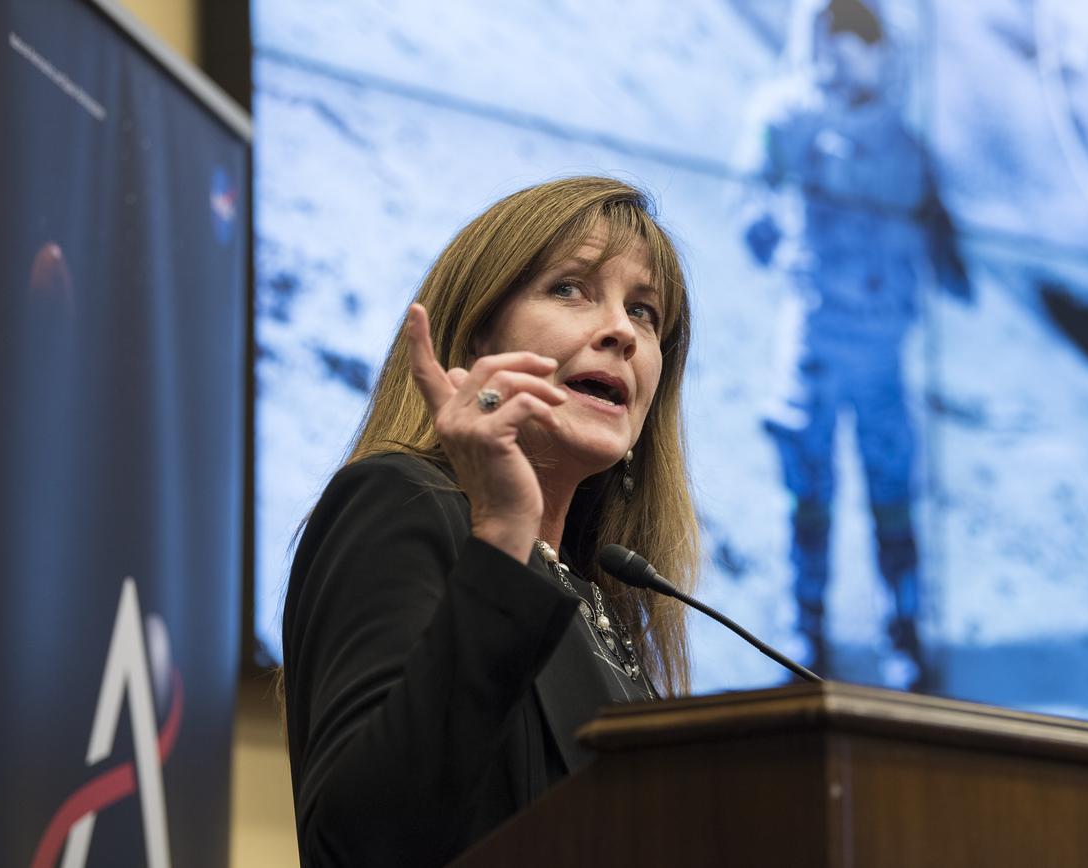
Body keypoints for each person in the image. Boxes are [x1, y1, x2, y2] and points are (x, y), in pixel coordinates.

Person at [281, 177, 699, 867]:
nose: (623, 331)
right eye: (571, 288)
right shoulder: (400, 503)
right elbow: (360, 845)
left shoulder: (606, 599)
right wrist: (504, 533)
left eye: (646, 312)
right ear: (477, 338)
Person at [742, 0, 970, 688]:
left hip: (883, 350)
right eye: (839, 41)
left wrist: (947, 252)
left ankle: (902, 628)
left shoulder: (904, 142)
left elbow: (938, 229)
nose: (852, 57)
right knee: (807, 490)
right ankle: (803, 625)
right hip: (816, 336)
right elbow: (750, 201)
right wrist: (767, 227)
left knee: (892, 491)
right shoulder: (787, 118)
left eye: (864, 42)